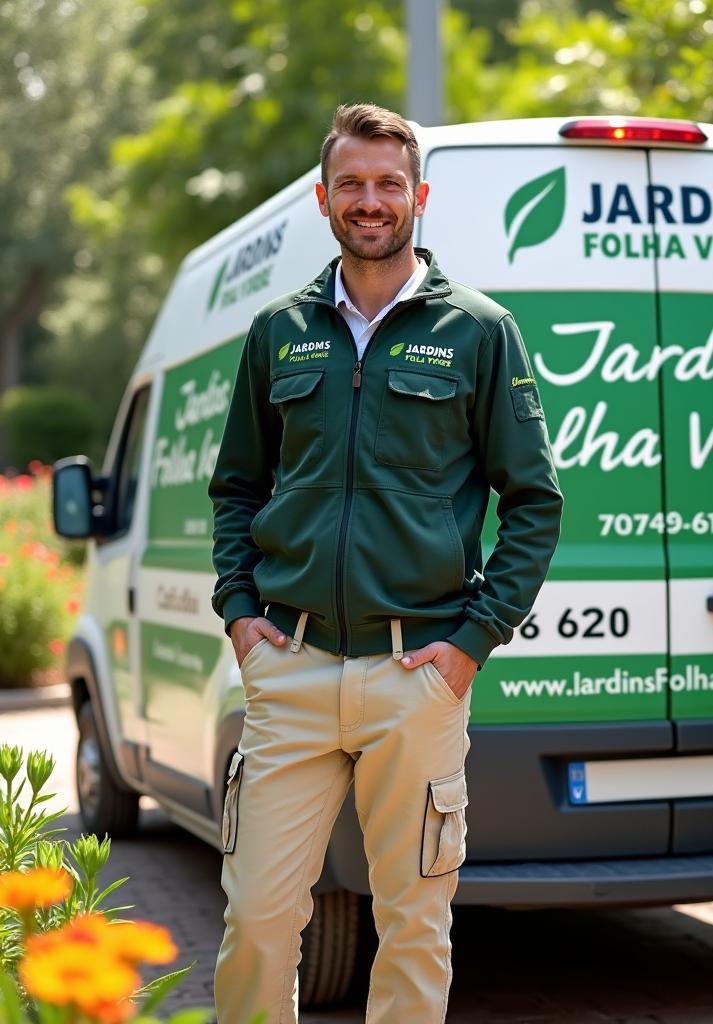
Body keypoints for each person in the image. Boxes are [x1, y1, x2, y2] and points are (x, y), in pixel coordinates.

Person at [207, 102, 562, 1024]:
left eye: (389, 184)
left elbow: (534, 502)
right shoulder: (278, 332)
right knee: (256, 919)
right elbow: (237, 488)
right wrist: (241, 615)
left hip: (419, 677)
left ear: (420, 198)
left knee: (412, 924)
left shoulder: (482, 331)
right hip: (289, 668)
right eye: (353, 185)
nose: (372, 201)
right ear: (324, 199)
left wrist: (472, 644)